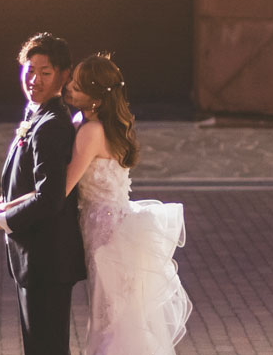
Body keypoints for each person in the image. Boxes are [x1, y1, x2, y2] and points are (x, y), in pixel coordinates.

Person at [64, 53, 192, 354]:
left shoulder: (91, 131)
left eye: (77, 86)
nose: (68, 87)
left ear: (96, 99)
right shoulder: (108, 126)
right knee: (120, 316)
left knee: (110, 320)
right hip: (119, 227)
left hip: (105, 235)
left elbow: (64, 187)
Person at [0, 32, 86, 355]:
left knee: (47, 348)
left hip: (47, 260)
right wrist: (3, 206)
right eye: (29, 71)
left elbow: (50, 197)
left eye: (45, 72)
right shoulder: (37, 114)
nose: (34, 80)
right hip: (37, 260)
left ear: (64, 76)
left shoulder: (52, 124)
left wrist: (3, 220)